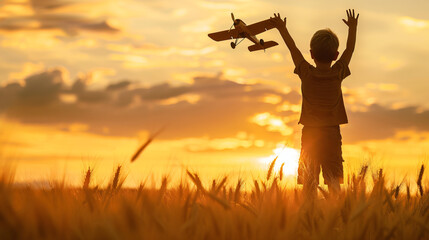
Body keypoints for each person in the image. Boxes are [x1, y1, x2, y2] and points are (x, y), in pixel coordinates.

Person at [270, 9, 359, 195]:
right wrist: (353, 27)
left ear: (311, 54)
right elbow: (350, 50)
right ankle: (335, 215)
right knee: (334, 182)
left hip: (310, 133)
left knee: (309, 182)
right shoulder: (338, 72)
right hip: (332, 134)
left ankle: (308, 214)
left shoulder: (306, 73)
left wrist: (282, 28)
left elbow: (292, 49)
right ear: (335, 55)